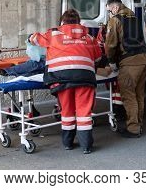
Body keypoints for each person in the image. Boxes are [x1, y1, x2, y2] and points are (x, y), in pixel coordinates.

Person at [30, 9, 102, 154]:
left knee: (67, 111)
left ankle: (68, 143)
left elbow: (35, 39)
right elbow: (98, 57)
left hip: (61, 79)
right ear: (78, 22)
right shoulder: (89, 37)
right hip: (85, 78)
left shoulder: (54, 34)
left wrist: (30, 38)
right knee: (84, 113)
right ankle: (86, 146)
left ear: (62, 22)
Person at [105, 0, 146, 138]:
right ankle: (138, 124)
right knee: (139, 95)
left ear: (115, 8)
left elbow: (111, 45)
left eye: (109, 11)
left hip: (130, 62)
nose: (109, 14)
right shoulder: (136, 18)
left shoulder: (115, 20)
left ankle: (133, 129)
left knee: (129, 96)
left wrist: (111, 62)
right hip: (144, 59)